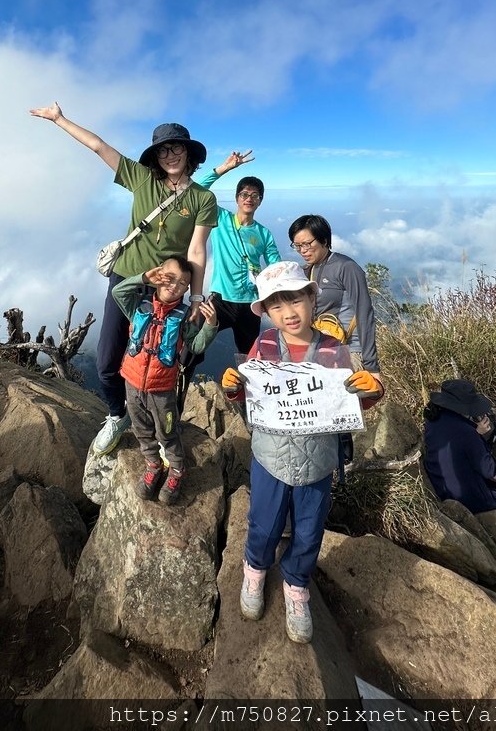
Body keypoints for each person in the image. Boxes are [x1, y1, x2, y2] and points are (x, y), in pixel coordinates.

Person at [29, 104, 217, 455]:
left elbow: (196, 250)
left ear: (189, 154)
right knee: (107, 360)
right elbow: (99, 146)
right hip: (127, 279)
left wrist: (194, 297)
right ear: (156, 156)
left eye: (177, 148)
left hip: (167, 290)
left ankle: (164, 433)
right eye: (163, 149)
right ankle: (118, 414)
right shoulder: (142, 179)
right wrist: (59, 119)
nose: (170, 155)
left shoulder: (202, 198)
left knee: (163, 361)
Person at [221, 260, 384, 643]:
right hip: (271, 458)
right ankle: (255, 570)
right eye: (276, 306)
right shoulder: (261, 346)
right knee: (263, 522)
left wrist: (371, 392)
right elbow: (251, 400)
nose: (288, 312)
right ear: (267, 312)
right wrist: (233, 388)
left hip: (317, 461)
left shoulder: (334, 352)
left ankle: (296, 584)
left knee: (310, 531)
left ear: (312, 298)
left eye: (294, 300)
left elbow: (348, 406)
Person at [112, 256, 218, 505]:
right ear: (159, 276)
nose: (174, 286)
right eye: (169, 278)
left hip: (162, 389)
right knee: (141, 429)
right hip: (132, 382)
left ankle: (177, 471)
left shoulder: (183, 317)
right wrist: (143, 278)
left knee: (167, 432)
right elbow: (118, 291)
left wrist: (210, 325)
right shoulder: (139, 306)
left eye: (182, 284)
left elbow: (196, 345)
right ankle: (153, 464)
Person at [196, 164, 282, 354]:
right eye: (244, 194)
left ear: (260, 201)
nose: (249, 198)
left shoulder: (264, 234)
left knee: (249, 357)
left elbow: (276, 268)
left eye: (255, 195)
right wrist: (224, 168)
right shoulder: (221, 218)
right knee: (193, 344)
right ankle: (180, 380)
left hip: (251, 303)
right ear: (237, 198)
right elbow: (197, 191)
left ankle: (244, 385)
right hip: (221, 300)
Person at [288, 214, 382, 386]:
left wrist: (371, 366)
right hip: (319, 352)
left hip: (349, 352)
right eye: (298, 246)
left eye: (307, 244)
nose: (303, 250)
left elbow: (365, 313)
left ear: (324, 239)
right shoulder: (306, 271)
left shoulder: (346, 267)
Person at [423, 379, 496, 513]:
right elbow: (486, 469)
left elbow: (456, 446)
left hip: (441, 486)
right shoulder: (467, 432)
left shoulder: (433, 420)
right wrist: (477, 434)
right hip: (466, 497)